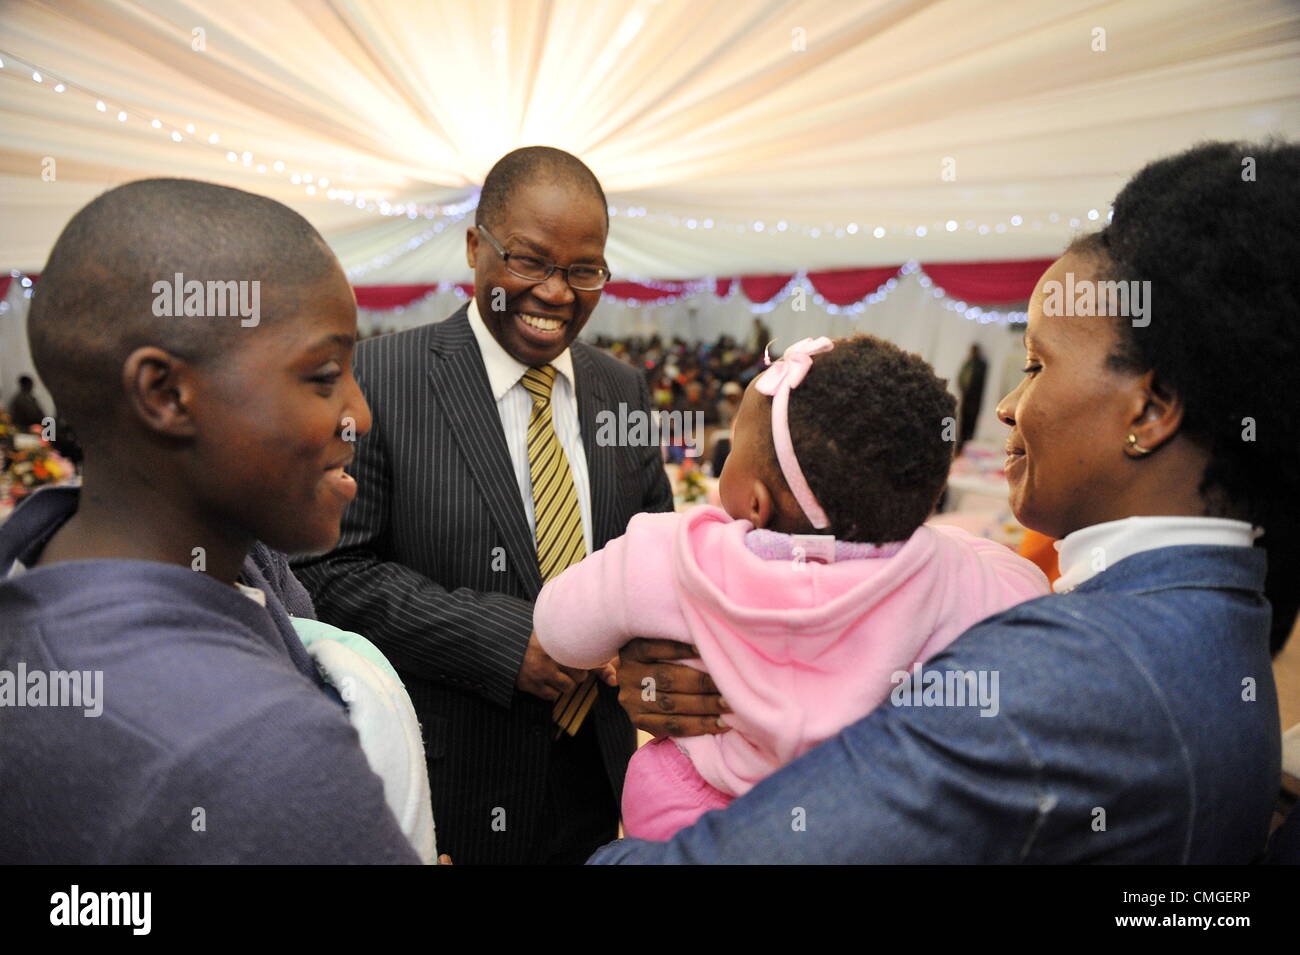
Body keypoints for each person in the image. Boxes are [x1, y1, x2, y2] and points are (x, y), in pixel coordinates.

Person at [591, 140, 1298, 863]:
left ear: (1151, 409)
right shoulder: (1220, 616)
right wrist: (736, 687)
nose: (1008, 406)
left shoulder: (1065, 680)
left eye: (1036, 364)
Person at [0, 178, 424, 863]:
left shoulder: (48, 559)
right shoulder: (254, 749)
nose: (360, 413)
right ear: (167, 393)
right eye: (323, 375)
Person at [292, 147, 673, 864]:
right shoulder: (381, 378)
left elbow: (651, 549)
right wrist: (503, 643)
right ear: (476, 247)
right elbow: (325, 572)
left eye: (583, 270)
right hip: (452, 779)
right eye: (529, 261)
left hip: (599, 771)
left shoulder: (620, 388)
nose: (557, 293)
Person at [535, 335, 1048, 839]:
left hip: (695, 811)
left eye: (735, 447)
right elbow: (1026, 586)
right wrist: (945, 542)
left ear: (755, 503)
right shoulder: (955, 574)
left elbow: (560, 630)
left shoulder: (673, 554)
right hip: (864, 821)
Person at [956, 343, 987, 450]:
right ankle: (961, 443)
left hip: (975, 399)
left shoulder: (981, 365)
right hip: (966, 397)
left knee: (971, 422)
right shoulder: (968, 363)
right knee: (963, 421)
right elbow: (961, 377)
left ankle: (966, 445)